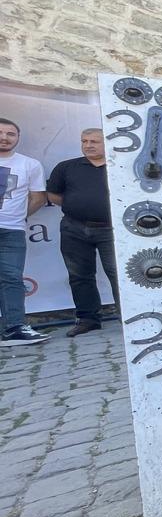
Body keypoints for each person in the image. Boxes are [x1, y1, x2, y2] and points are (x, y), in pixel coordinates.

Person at [46, 129, 118, 337]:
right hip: (74, 228)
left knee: (117, 274)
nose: (88, 145)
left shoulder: (118, 165)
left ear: (107, 143)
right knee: (79, 275)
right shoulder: (66, 167)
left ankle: (128, 317)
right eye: (84, 141)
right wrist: (77, 206)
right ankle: (88, 319)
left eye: (94, 141)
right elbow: (53, 195)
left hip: (112, 229)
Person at [0, 118, 49, 346]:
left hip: (12, 230)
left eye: (11, 134)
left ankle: (14, 328)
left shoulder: (30, 164)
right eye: (1, 133)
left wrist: (18, 217)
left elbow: (38, 198)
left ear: (18, 137)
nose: (5, 138)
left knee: (12, 279)